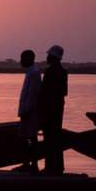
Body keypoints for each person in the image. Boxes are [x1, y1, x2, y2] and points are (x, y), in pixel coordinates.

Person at [39, 45, 68, 175]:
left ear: (54, 57)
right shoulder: (63, 72)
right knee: (56, 136)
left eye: (49, 55)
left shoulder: (49, 72)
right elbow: (64, 92)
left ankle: (50, 167)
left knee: (49, 137)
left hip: (49, 109)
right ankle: (58, 167)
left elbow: (44, 92)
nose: (47, 57)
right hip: (58, 108)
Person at [17, 49, 41, 173]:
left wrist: (25, 111)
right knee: (29, 138)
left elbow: (32, 94)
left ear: (29, 59)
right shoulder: (31, 72)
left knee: (30, 138)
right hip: (28, 112)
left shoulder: (34, 73)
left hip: (30, 113)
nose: (20, 61)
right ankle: (28, 164)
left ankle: (31, 164)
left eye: (22, 58)